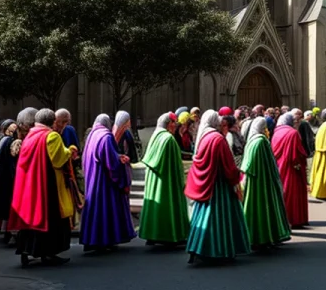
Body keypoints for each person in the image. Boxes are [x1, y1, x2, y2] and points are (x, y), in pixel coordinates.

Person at [11, 108, 77, 266]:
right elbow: (58, 159)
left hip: (29, 184)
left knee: (31, 220)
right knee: (51, 220)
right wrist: (70, 151)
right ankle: (48, 253)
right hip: (47, 185)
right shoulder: (51, 136)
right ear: (52, 121)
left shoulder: (30, 135)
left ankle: (26, 250)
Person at [184, 110, 250, 263]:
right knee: (219, 219)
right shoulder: (218, 139)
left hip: (207, 184)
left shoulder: (204, 137)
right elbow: (228, 165)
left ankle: (197, 247)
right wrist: (236, 176)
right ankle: (219, 250)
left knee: (202, 217)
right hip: (220, 186)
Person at [80, 114, 135, 252]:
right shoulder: (106, 137)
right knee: (105, 210)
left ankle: (92, 240)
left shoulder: (92, 135)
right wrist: (122, 164)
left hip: (93, 179)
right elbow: (112, 165)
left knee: (95, 210)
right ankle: (104, 240)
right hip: (104, 183)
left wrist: (117, 156)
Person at [240, 117, 291, 250]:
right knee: (265, 209)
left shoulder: (251, 141)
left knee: (254, 208)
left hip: (253, 181)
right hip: (264, 182)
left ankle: (255, 238)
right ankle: (265, 237)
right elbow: (269, 163)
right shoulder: (261, 141)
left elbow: (247, 165)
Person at [140, 112, 189, 246]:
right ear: (168, 124)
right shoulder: (169, 139)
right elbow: (175, 165)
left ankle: (152, 235)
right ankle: (170, 235)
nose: (175, 126)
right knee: (169, 206)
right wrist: (181, 180)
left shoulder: (155, 135)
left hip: (154, 180)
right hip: (167, 181)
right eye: (173, 123)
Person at [271, 113, 308, 228]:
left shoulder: (276, 132)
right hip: (291, 168)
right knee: (293, 193)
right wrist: (300, 165)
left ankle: (281, 218)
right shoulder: (293, 133)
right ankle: (294, 219)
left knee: (283, 191)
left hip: (279, 166)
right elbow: (297, 153)